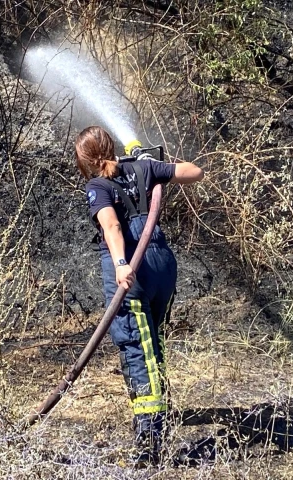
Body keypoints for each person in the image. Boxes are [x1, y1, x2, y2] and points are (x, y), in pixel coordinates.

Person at [75, 126, 204, 466]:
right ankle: (157, 416)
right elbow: (195, 171)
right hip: (162, 265)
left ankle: (148, 444)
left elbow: (112, 226)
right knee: (153, 344)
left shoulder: (97, 186)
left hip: (133, 269)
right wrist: (155, 165)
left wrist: (120, 263)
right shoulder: (143, 168)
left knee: (136, 347)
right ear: (112, 146)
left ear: (86, 160)